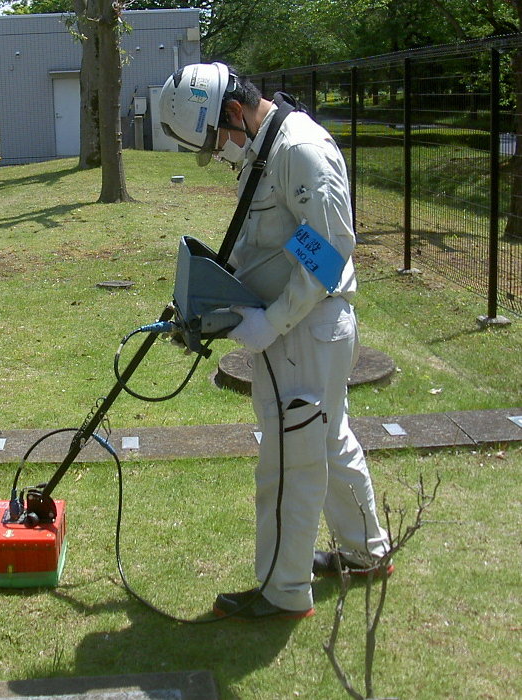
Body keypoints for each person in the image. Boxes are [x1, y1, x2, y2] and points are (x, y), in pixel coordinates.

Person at [158, 63, 391, 621]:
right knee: (327, 440)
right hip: (296, 328)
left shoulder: (299, 151)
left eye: (216, 141)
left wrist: (272, 322)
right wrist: (217, 297)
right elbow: (268, 244)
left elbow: (327, 253)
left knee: (290, 458)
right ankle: (367, 553)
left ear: (234, 114)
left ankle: (282, 592)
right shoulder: (265, 148)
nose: (219, 155)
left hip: (305, 329)